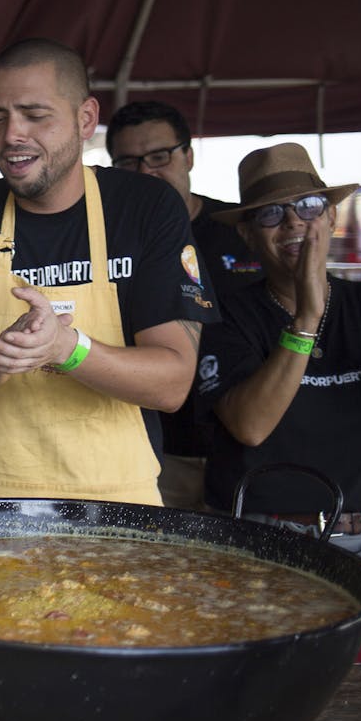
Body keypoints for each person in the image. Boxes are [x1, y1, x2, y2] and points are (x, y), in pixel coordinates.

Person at [0, 38, 216, 503]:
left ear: (86, 119)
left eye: (34, 115)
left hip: (117, 514)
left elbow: (172, 383)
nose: (12, 135)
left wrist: (68, 347)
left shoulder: (145, 209)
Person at [197, 142, 361, 675]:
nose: (293, 223)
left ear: (333, 215)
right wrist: (307, 317)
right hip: (260, 549)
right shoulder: (224, 316)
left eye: (309, 206)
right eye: (270, 214)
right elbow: (250, 426)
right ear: (246, 233)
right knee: (266, 719)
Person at [106, 100, 261, 509]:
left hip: (249, 445)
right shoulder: (107, 244)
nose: (146, 172)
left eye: (159, 156)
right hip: (156, 449)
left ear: (188, 155)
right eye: (128, 162)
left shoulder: (242, 230)